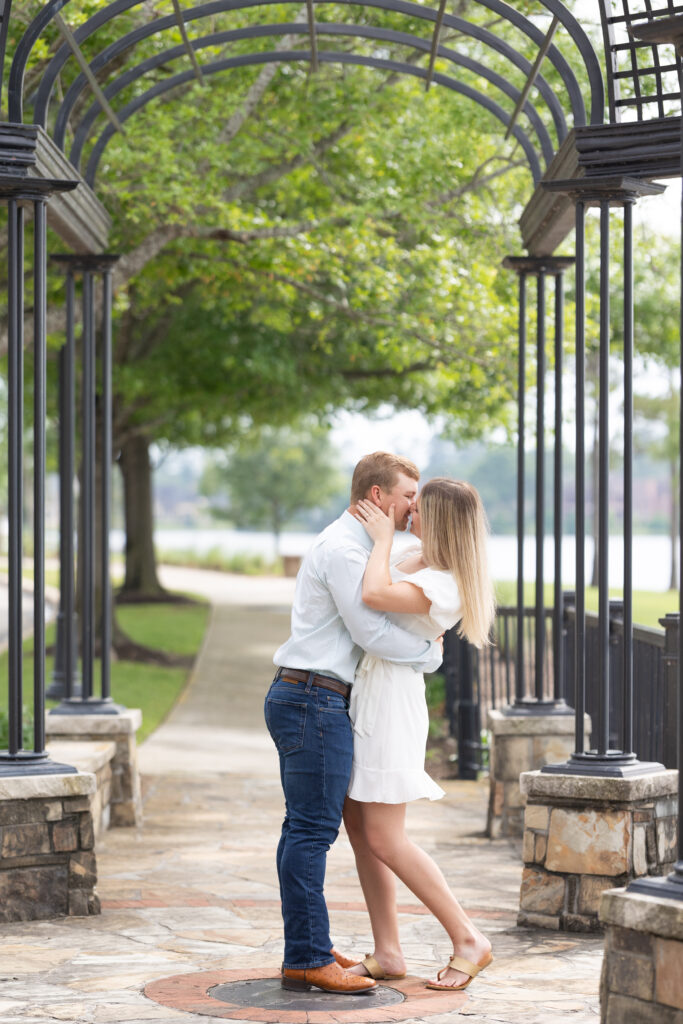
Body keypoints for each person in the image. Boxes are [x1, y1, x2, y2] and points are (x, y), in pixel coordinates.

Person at [264, 452, 444, 995]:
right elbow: (370, 632)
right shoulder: (344, 550)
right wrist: (429, 655)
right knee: (311, 831)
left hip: (313, 697)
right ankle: (309, 957)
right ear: (377, 497)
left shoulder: (364, 546)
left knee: (302, 829)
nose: (416, 504)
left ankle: (306, 946)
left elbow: (418, 564)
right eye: (409, 494)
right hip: (312, 699)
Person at [343, 477, 496, 991]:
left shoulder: (446, 583)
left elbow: (372, 593)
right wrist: (391, 543)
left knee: (386, 836)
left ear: (442, 520)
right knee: (361, 830)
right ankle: (387, 950)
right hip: (366, 697)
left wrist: (383, 541)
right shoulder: (419, 557)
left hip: (390, 706)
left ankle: (468, 937)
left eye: (420, 508)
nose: (410, 513)